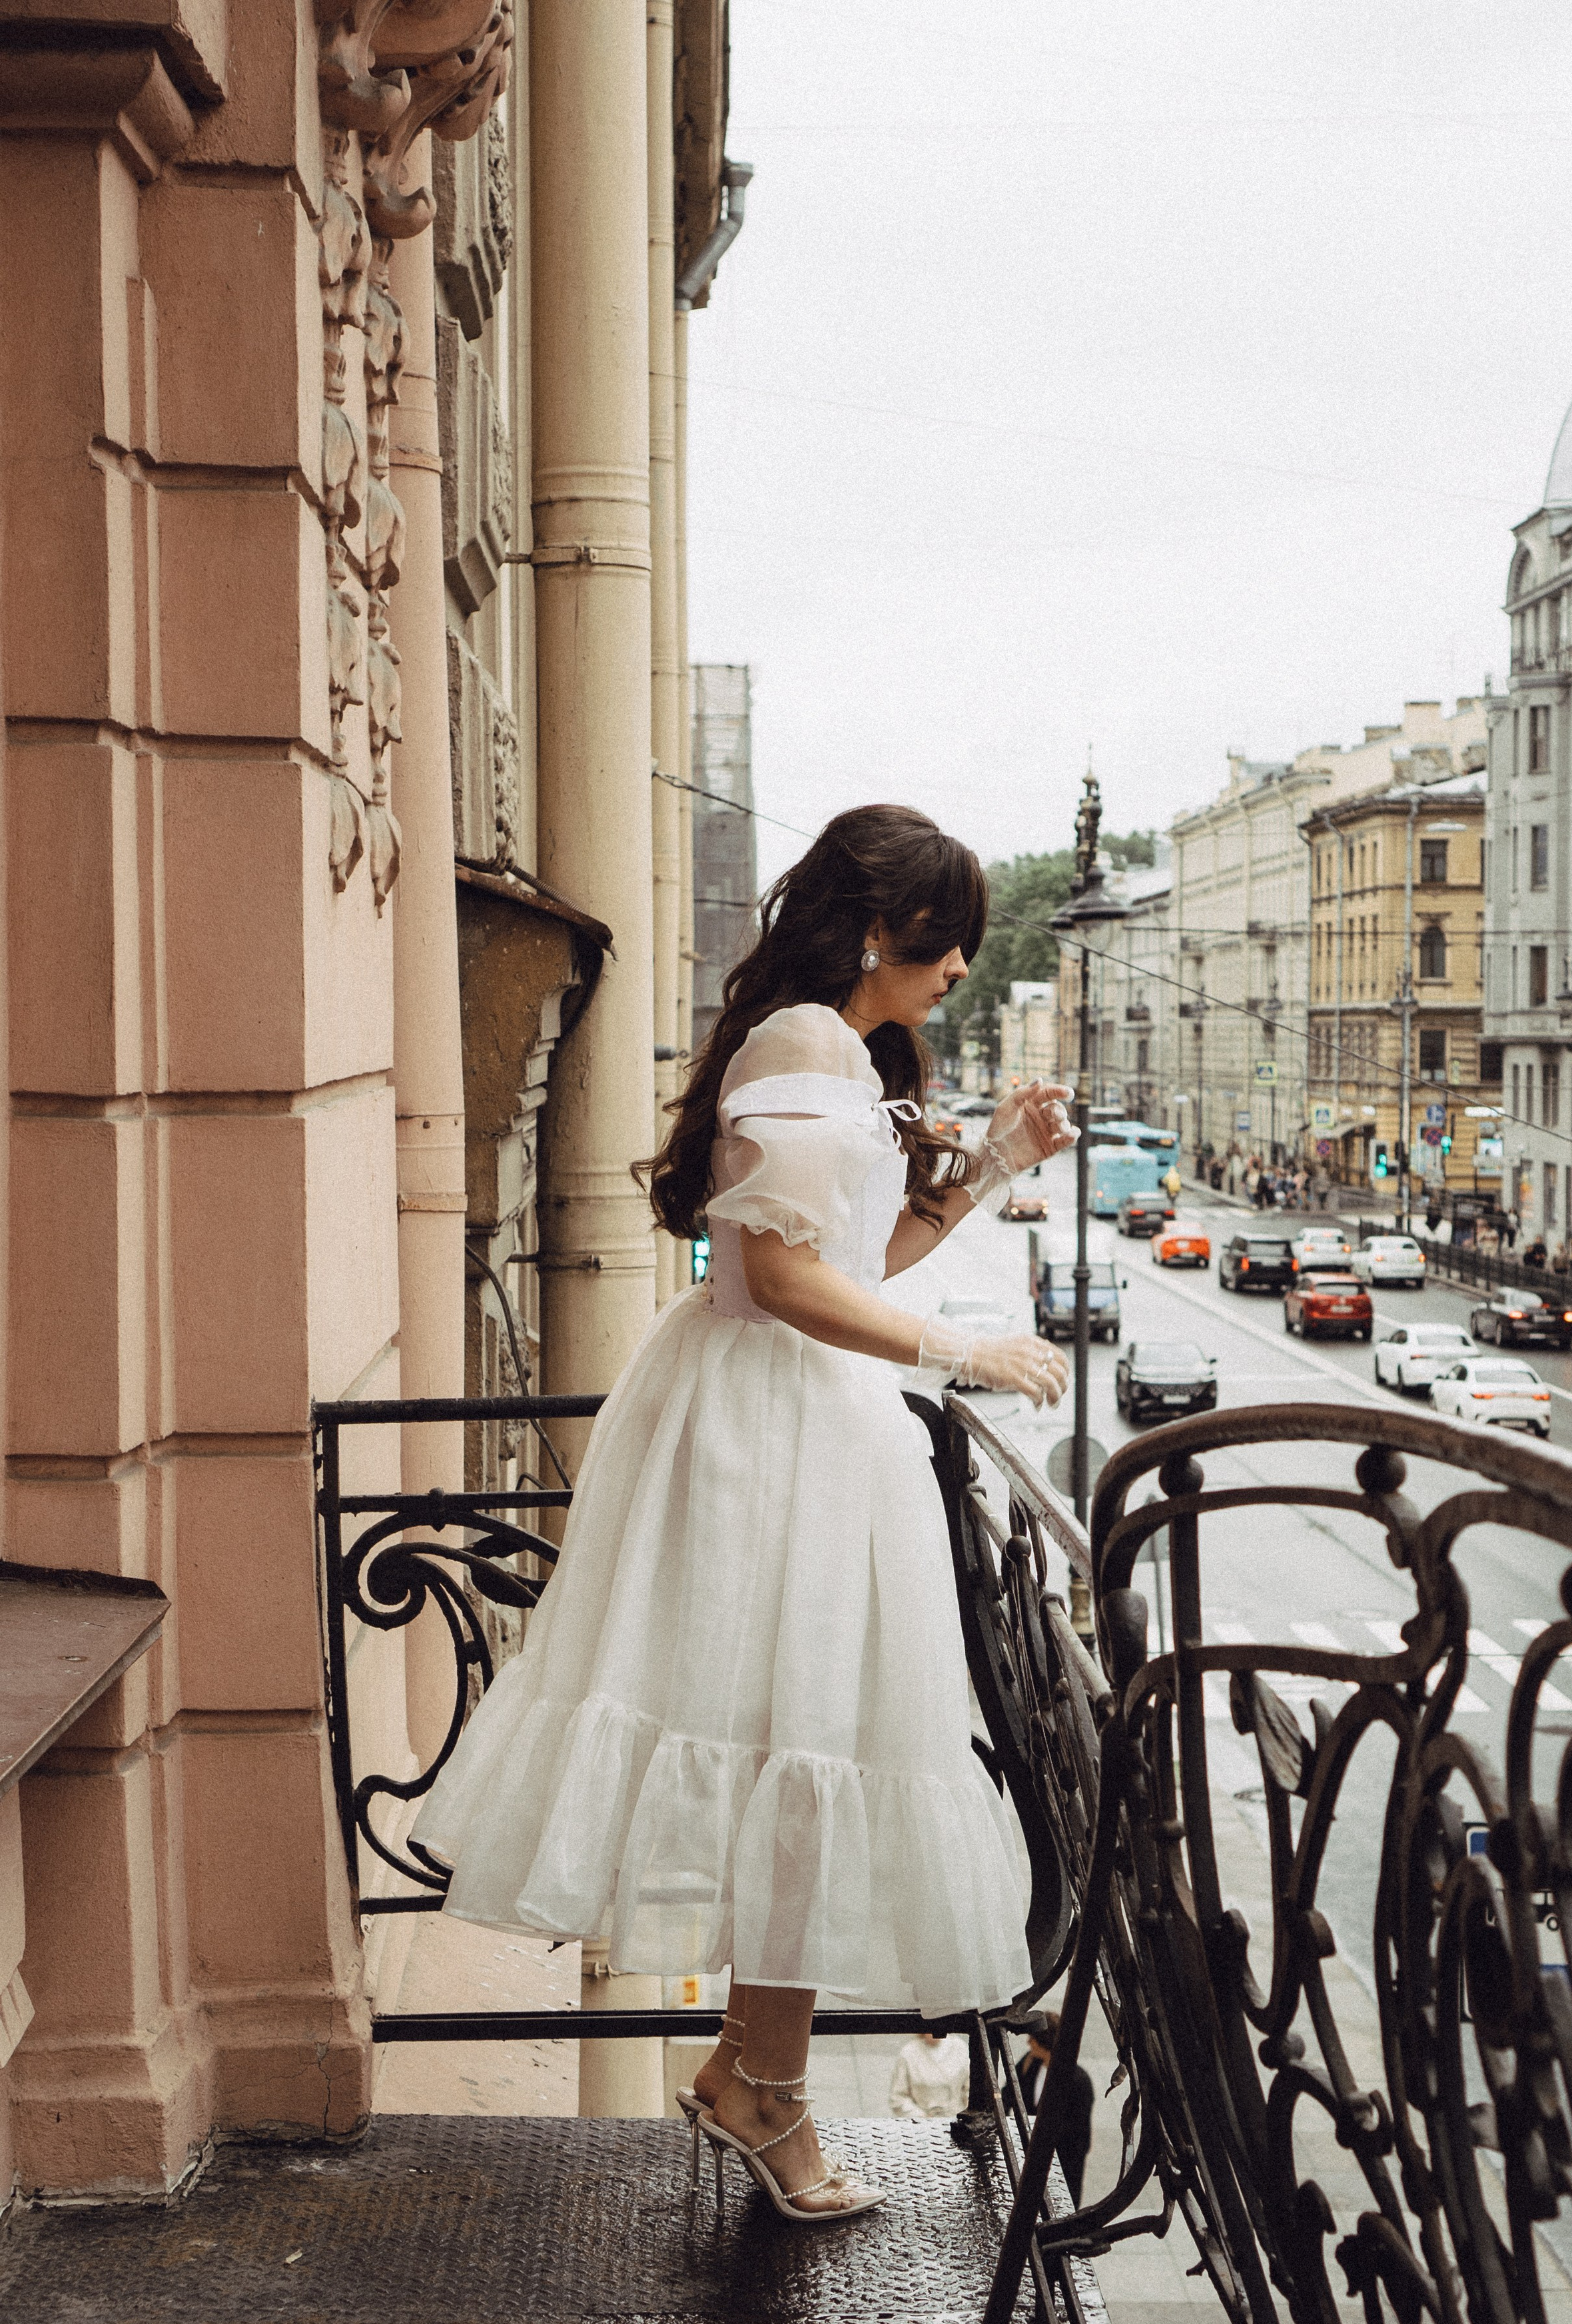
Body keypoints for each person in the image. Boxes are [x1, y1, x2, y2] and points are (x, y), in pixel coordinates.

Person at [411, 807, 1076, 2223]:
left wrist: (998, 1163)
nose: (960, 962)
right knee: (804, 1744)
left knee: (811, 1744)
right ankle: (759, 2086)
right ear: (878, 926)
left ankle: (751, 2075)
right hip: (772, 1429)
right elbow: (775, 1279)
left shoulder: (833, 1049)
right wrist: (965, 1352)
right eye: (943, 934)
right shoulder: (798, 1047)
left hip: (803, 1424)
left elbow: (855, 1251)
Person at [1014, 2013, 1095, 2206]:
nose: (1028, 2042)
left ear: (1047, 2046)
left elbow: (1079, 2135)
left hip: (1061, 2163)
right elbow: (1011, 2091)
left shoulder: (1078, 2083)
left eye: (1033, 2039)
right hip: (1028, 2155)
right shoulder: (1030, 2062)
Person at [889, 2029, 971, 2122]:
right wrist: (922, 2118)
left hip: (956, 2122)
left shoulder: (961, 2049)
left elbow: (971, 2092)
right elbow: (898, 2098)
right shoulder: (909, 2053)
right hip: (920, 2124)